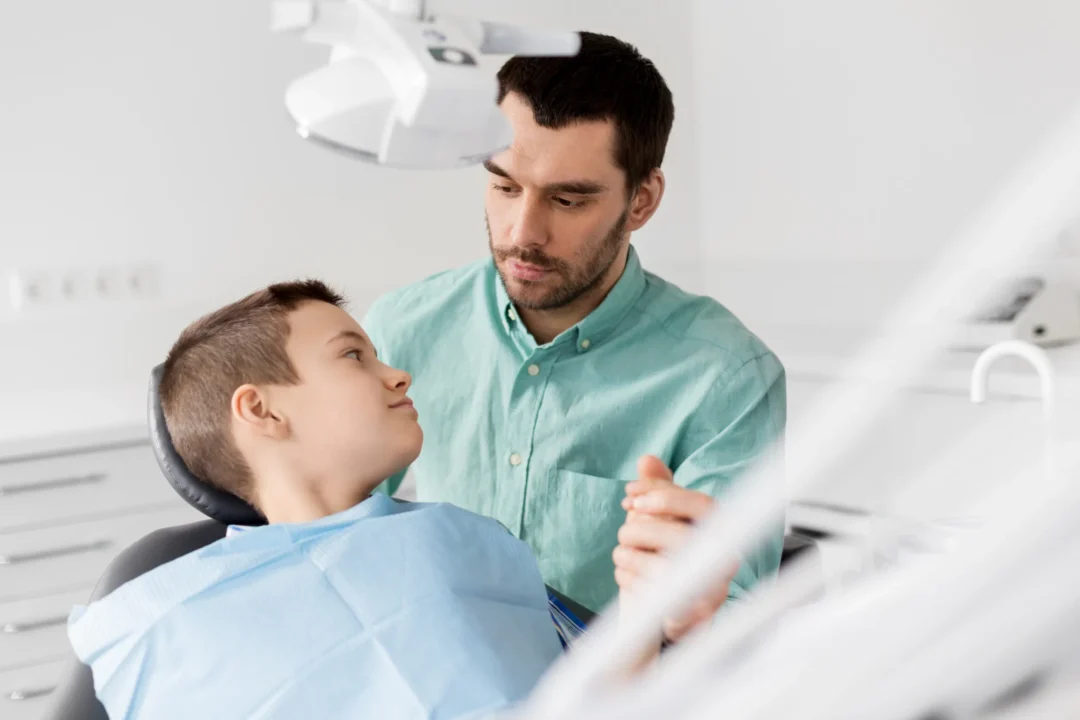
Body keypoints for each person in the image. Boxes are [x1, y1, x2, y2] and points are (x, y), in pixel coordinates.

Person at [362, 31, 787, 642]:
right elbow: (327, 523)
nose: (522, 232)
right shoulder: (403, 326)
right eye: (505, 186)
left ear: (641, 201)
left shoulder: (726, 377)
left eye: (566, 199)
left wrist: (691, 615)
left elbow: (738, 622)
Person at [67, 280, 565, 719]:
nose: (398, 375)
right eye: (353, 355)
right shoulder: (165, 618)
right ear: (261, 409)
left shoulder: (468, 542)